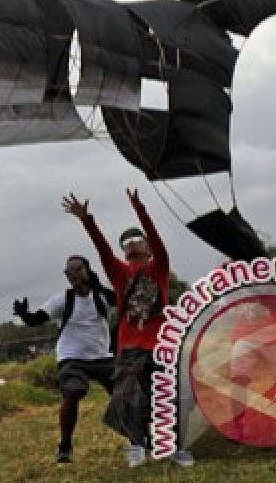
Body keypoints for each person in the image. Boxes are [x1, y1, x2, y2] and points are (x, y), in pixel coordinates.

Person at [63, 188, 193, 468]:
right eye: (127, 242)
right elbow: (101, 249)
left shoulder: (159, 268)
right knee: (125, 398)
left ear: (146, 247)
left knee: (169, 396)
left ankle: (176, 447)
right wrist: (88, 220)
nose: (132, 244)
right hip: (130, 347)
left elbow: (158, 242)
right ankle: (137, 445)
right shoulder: (119, 273)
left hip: (160, 345)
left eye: (137, 240)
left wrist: (140, 209)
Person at [14, 255, 116, 463]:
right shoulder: (63, 299)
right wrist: (25, 315)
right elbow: (38, 319)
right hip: (72, 356)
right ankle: (65, 445)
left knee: (123, 392)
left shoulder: (102, 296)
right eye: (69, 272)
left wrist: (96, 285)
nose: (74, 274)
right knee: (73, 391)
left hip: (101, 356)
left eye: (78, 269)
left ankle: (138, 439)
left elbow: (124, 301)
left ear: (88, 270)